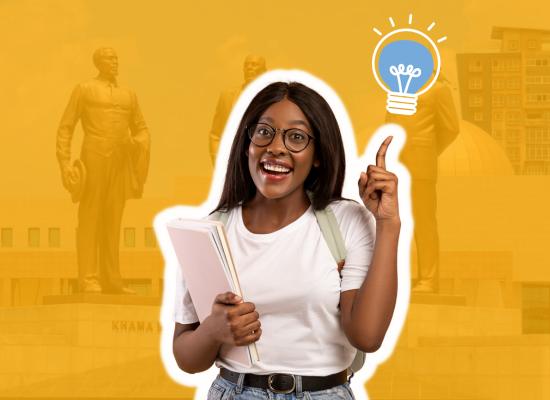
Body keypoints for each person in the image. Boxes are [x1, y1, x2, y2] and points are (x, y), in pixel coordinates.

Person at [173, 82, 400, 399]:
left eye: (296, 137)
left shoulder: (345, 222)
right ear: (247, 145)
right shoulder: (212, 231)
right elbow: (186, 357)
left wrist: (388, 223)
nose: (276, 147)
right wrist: (213, 330)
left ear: (318, 155)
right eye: (264, 132)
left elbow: (367, 336)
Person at [56, 47, 150, 294]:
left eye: (117, 58)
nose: (115, 62)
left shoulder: (128, 95)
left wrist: (137, 142)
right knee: (90, 216)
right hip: (94, 156)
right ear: (98, 63)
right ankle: (88, 277)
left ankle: (112, 279)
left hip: (120, 160)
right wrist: (65, 163)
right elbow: (66, 128)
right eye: (110, 58)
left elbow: (141, 128)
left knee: (113, 219)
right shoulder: (84, 89)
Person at [385, 79, 459, 293]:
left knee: (423, 220)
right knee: (391, 220)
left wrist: (428, 151)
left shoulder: (438, 88)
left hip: (421, 162)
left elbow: (450, 128)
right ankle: (395, 276)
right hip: (395, 163)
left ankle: (428, 278)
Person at [209, 55, 267, 164]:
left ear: (264, 71)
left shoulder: (275, 99)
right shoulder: (227, 97)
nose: (249, 67)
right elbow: (216, 134)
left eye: (254, 65)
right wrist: (219, 161)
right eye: (247, 65)